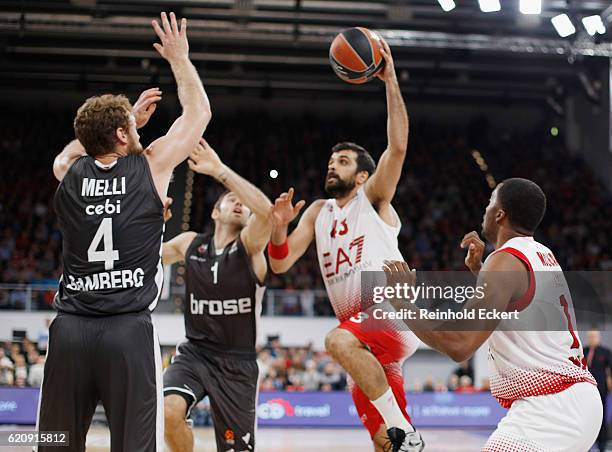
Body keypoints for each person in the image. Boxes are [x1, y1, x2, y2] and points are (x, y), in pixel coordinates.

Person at [37, 12, 212, 451]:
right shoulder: (150, 165)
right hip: (126, 330)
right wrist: (180, 59)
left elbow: (69, 151)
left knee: (56, 441)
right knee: (135, 444)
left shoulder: (70, 171)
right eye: (131, 127)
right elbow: (199, 112)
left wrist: (120, 122)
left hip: (70, 329)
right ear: (120, 135)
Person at [267, 38, 423, 452]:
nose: (331, 165)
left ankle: (408, 435)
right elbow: (280, 264)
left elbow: (399, 146)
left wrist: (390, 82)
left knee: (335, 341)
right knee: (382, 441)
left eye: (343, 161)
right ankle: (402, 435)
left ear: (361, 176)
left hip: (388, 313)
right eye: (330, 160)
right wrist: (279, 229)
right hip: (364, 339)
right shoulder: (317, 211)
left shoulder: (371, 199)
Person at [383, 178, 601, 451]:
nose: (484, 209)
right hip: (576, 401)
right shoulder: (541, 254)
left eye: (489, 203)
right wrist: (482, 270)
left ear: (500, 214)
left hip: (551, 408)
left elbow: (458, 344)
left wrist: (402, 302)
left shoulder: (505, 262)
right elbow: (521, 304)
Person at [161, 139, 272, 452]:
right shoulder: (190, 244)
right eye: (231, 199)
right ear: (215, 211)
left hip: (237, 363)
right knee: (168, 412)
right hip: (194, 353)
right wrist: (151, 222)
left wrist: (220, 171)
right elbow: (148, 255)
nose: (240, 203)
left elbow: (266, 213)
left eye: (244, 203)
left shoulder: (250, 248)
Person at [584, 329, 611, 452]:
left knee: (602, 414)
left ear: (598, 337)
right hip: (585, 390)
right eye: (590, 337)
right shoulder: (583, 351)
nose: (592, 339)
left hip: (601, 388)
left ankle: (602, 444)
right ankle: (587, 443)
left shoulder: (605, 352)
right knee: (586, 415)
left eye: (594, 336)